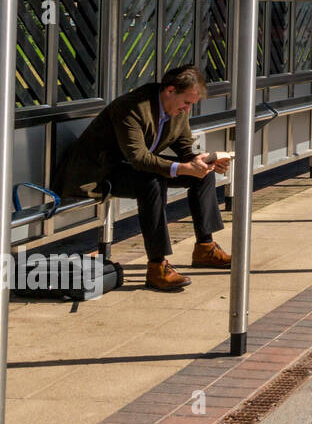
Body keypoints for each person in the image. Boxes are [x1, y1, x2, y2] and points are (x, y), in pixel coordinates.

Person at [51, 64, 230, 292]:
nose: (187, 109)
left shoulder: (177, 110)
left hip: (133, 167)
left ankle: (205, 248)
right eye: (187, 102)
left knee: (202, 174)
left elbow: (185, 146)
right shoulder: (131, 107)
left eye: (191, 104)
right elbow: (138, 158)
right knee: (151, 181)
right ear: (170, 91)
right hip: (100, 173)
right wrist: (183, 167)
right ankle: (157, 266)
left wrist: (204, 161)